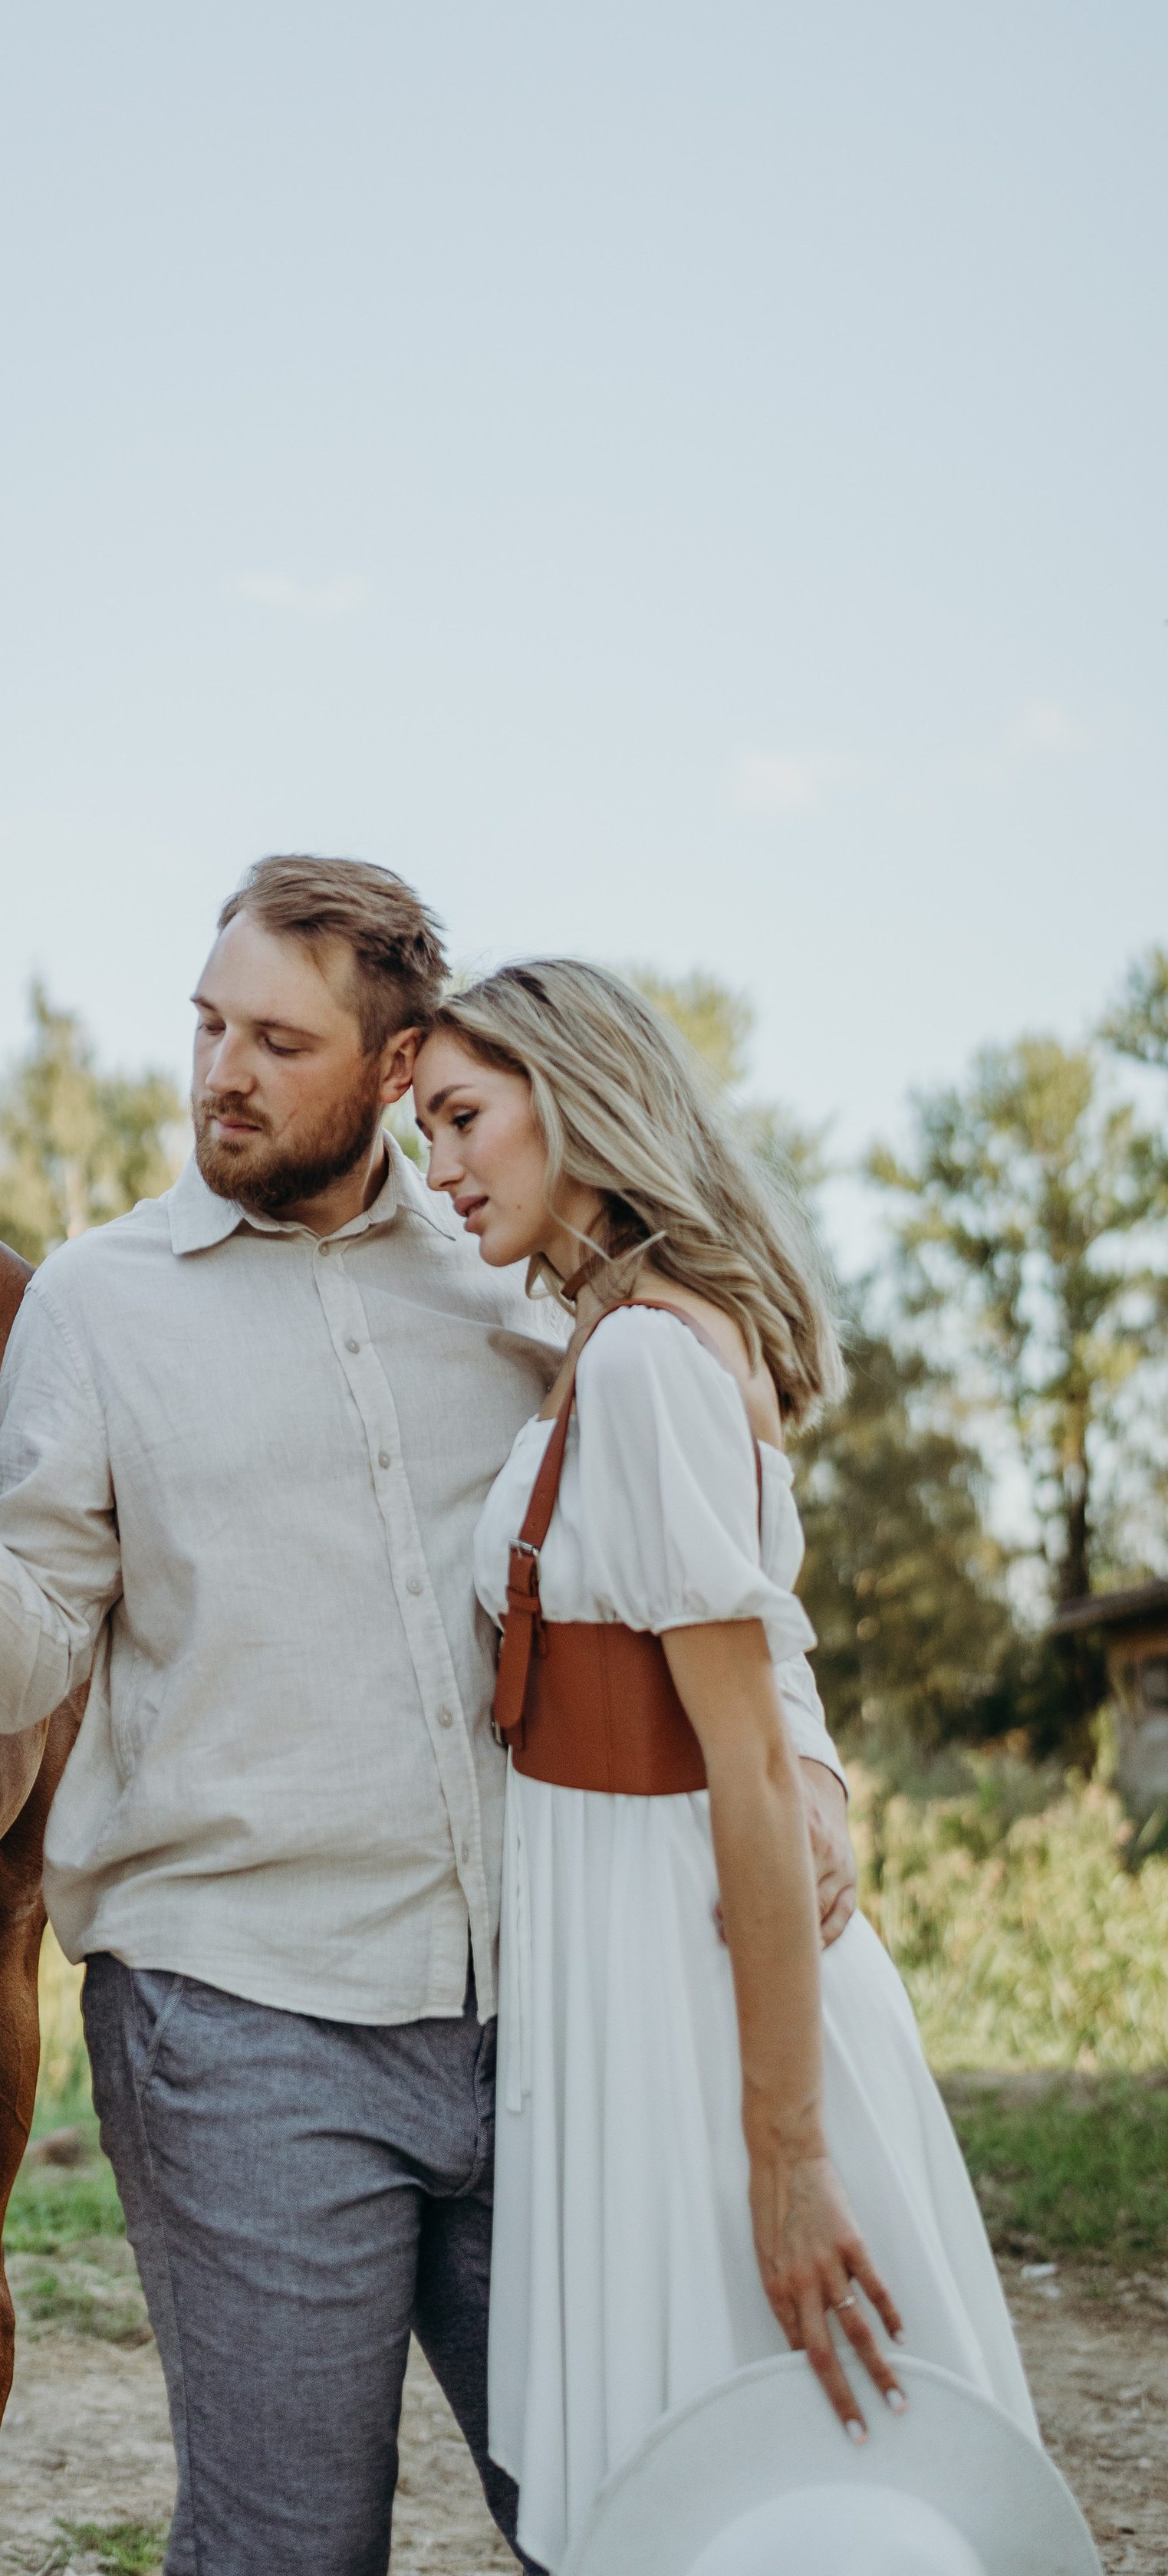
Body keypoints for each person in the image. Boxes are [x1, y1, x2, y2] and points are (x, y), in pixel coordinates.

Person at [0, 859, 858, 2576]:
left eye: (275, 1039)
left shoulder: (510, 1267)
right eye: (205, 1023)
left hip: (548, 2011)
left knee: (619, 2517)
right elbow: (16, 1666)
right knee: (287, 2547)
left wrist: (796, 1750)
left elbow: (693, 1544)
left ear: (388, 1066)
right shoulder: (98, 1303)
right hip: (239, 2028)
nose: (218, 1070)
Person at [412, 959, 1036, 2574]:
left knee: (774, 2460)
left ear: (578, 1100)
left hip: (686, 1989)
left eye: (464, 1120)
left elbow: (745, 1770)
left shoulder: (638, 1366)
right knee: (715, 2479)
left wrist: (782, 2151)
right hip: (625, 1970)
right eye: (423, 1136)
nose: (443, 1167)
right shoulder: (620, 1343)